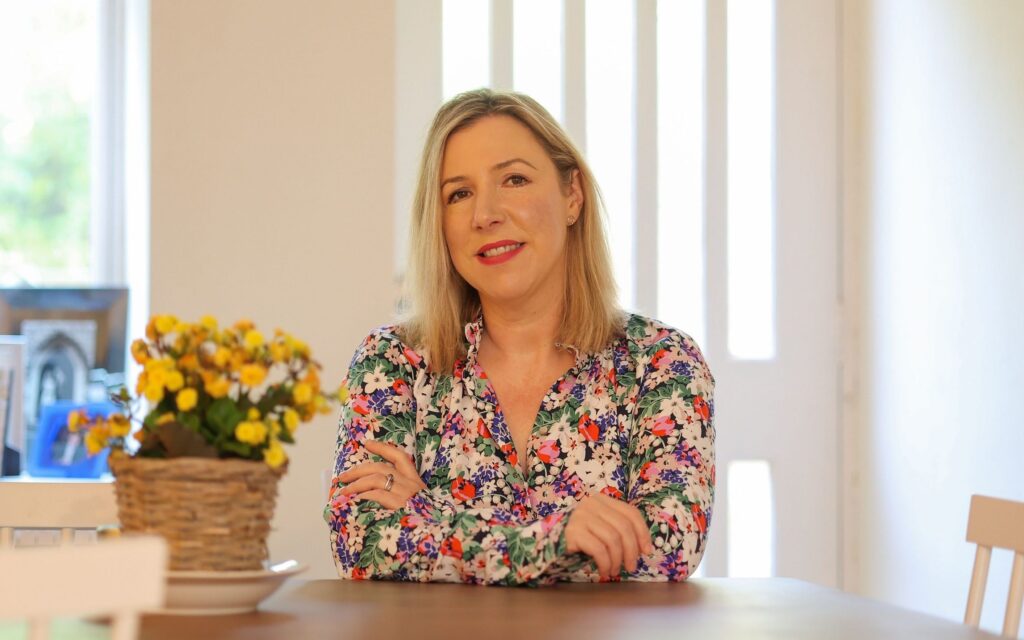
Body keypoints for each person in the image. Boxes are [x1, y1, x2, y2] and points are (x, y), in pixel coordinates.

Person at [324, 88, 714, 586]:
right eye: (458, 194)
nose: (485, 214)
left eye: (514, 179)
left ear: (572, 195)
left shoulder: (661, 362)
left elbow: (668, 547)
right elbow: (360, 541)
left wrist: (429, 516)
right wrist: (558, 538)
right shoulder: (392, 361)